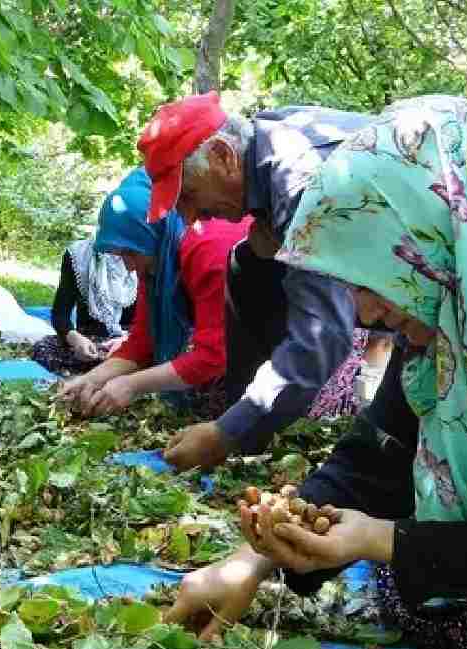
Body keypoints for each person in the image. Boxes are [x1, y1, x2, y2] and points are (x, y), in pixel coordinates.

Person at [166, 95, 467, 649]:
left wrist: (384, 542)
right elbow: (378, 454)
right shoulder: (453, 314)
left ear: (433, 229)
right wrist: (254, 560)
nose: (363, 310)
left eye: (371, 276)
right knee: (422, 597)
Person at [141, 92, 377, 469]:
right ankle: (249, 421)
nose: (189, 218)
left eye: (189, 196)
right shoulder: (269, 137)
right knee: (246, 262)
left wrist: (226, 433)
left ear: (223, 155)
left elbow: (321, 336)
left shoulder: (299, 181)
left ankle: (244, 430)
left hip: (445, 276)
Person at [58, 168, 249, 418]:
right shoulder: (156, 257)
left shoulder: (210, 250)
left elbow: (214, 355)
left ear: (150, 233)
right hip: (235, 345)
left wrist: (131, 384)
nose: (128, 266)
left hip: (275, 345)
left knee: (217, 412)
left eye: (130, 254)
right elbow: (142, 341)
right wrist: (91, 379)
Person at [30, 237, 137, 375]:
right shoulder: (79, 255)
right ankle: (111, 371)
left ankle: (113, 371)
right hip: (92, 341)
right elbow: (60, 315)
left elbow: (153, 323)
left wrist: (126, 340)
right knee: (43, 348)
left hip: (132, 340)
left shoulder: (142, 255)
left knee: (151, 357)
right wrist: (75, 339)